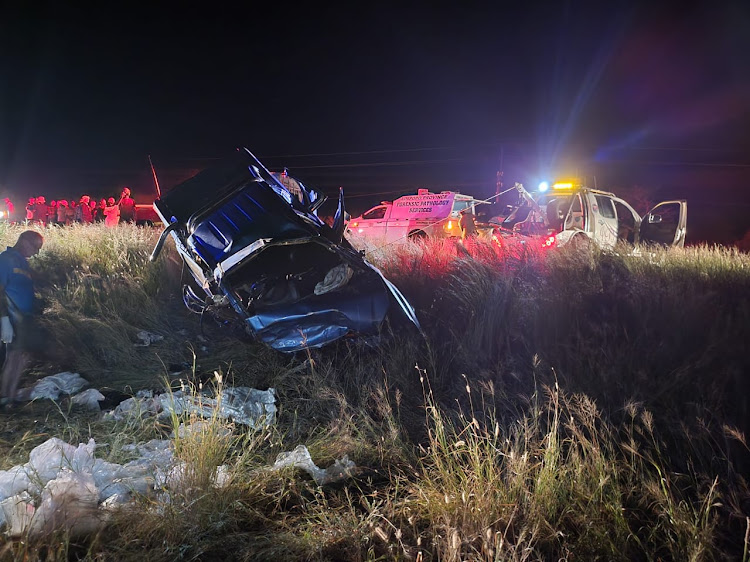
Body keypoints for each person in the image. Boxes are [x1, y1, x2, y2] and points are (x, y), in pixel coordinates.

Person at [0, 230, 44, 405]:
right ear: (25, 241)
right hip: (11, 316)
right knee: (13, 355)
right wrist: (4, 320)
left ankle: (9, 396)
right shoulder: (6, 259)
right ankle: (4, 396)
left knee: (21, 355)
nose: (36, 253)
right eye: (36, 247)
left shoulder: (23, 263)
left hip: (23, 318)